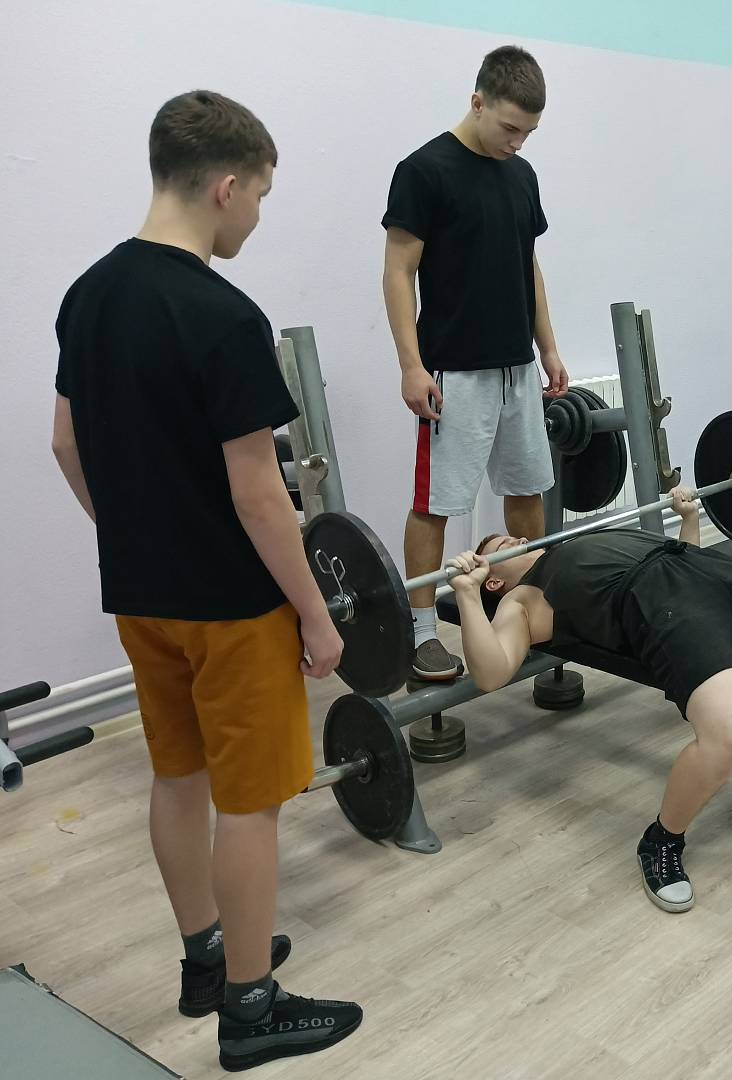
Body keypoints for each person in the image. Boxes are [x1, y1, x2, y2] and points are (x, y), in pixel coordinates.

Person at [50, 91, 361, 1070]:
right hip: (233, 607)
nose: (257, 216)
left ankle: (205, 957)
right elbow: (262, 496)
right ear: (226, 187)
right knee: (251, 801)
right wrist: (316, 614)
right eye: (260, 196)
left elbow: (64, 442)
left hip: (142, 599)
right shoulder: (224, 315)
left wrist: (133, 534)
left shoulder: (87, 295)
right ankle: (250, 1009)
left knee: (178, 776)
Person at [444, 488, 732, 913]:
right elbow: (491, 673)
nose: (519, 538)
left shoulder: (571, 545)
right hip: (657, 598)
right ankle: (662, 840)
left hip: (699, 566)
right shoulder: (520, 599)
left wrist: (688, 519)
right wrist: (466, 594)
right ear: (493, 579)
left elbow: (686, 558)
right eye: (502, 545)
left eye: (515, 536)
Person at [382, 44, 570, 683]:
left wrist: (548, 348)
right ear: (478, 101)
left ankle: (525, 607)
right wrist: (411, 365)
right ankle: (420, 634)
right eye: (510, 128)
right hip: (452, 373)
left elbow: (528, 267)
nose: (518, 142)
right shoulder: (424, 170)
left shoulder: (522, 176)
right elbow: (399, 270)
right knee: (436, 504)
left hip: (517, 368)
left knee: (528, 493)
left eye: (529, 133)